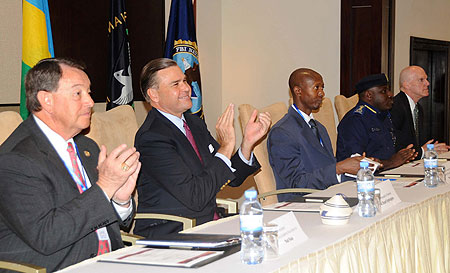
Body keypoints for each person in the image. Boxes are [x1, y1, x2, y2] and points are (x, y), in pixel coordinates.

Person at [0, 58, 141, 272]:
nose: (90, 102)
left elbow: (104, 217)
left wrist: (121, 201)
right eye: (78, 93)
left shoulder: (88, 147)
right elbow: (46, 236)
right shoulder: (16, 160)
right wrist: (105, 187)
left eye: (89, 92)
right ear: (46, 100)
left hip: (110, 262)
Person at [134, 58, 271, 237]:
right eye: (176, 84)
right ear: (154, 95)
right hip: (174, 232)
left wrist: (247, 143)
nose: (186, 88)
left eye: (184, 81)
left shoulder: (193, 123)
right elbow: (195, 197)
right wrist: (226, 146)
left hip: (207, 223)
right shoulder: (152, 138)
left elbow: (228, 176)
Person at [267, 68, 363, 202]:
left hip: (329, 196)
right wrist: (339, 168)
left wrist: (359, 166)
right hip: (302, 204)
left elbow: (326, 168)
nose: (322, 93)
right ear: (298, 91)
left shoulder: (320, 127)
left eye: (322, 87)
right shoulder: (282, 132)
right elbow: (296, 184)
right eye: (316, 87)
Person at [337, 73, 416, 169]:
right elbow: (356, 164)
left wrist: (402, 157)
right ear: (369, 95)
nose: (390, 94)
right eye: (384, 91)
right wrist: (392, 162)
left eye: (388, 90)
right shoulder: (354, 121)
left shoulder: (383, 115)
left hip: (386, 173)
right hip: (361, 180)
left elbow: (386, 152)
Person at [390, 65, 448, 159]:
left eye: (426, 79)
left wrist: (430, 149)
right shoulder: (396, 107)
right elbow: (396, 146)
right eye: (421, 80)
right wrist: (422, 151)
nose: (428, 83)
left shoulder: (418, 108)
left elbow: (413, 143)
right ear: (406, 84)